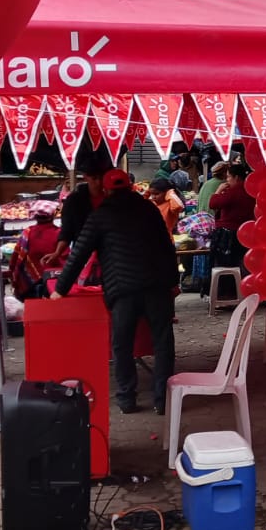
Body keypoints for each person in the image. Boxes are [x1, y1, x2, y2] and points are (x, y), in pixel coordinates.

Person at [52, 169, 179, 413]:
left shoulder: (101, 215)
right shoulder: (149, 209)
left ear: (107, 190)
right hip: (157, 286)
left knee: (122, 345)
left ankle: (126, 398)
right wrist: (173, 281)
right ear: (130, 187)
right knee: (163, 343)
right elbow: (166, 247)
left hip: (123, 290)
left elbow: (79, 253)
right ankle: (163, 400)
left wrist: (60, 288)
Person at [51, 152, 112, 265]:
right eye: (94, 178)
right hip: (83, 253)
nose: (99, 182)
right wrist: (57, 252)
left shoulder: (113, 198)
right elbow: (67, 231)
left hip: (110, 254)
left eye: (102, 178)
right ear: (85, 177)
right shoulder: (74, 201)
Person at [207, 162, 255, 271]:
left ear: (236, 177)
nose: (227, 180)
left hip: (229, 235)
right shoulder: (249, 191)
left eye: (229, 177)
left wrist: (218, 191)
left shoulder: (234, 191)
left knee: (226, 267)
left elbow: (213, 203)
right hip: (246, 234)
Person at [8, 206, 61, 298]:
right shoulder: (59, 233)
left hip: (29, 283)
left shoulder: (27, 232)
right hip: (54, 282)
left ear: (35, 217)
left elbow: (16, 257)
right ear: (53, 216)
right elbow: (65, 258)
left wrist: (12, 274)